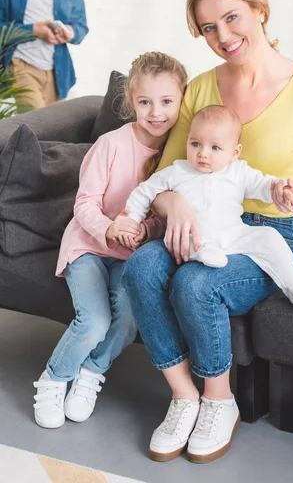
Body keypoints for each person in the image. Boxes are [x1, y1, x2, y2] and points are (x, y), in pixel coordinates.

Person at [121, 0, 293, 464]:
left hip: (264, 237)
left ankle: (219, 400)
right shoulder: (200, 88)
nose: (222, 36)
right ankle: (183, 394)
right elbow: (168, 170)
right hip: (200, 227)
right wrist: (171, 201)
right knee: (139, 266)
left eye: (231, 18)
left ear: (260, 10)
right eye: (207, 27)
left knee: (195, 283)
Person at [32, 52, 187, 429]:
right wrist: (107, 228)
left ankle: (90, 374)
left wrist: (145, 230)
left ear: (182, 100)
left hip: (128, 253)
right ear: (131, 101)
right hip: (88, 246)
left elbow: (160, 218)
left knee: (130, 317)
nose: (156, 112)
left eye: (167, 101)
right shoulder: (111, 144)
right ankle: (53, 379)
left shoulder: (180, 155)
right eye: (145, 102)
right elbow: (84, 204)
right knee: (95, 321)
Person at [125, 104, 293, 308]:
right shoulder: (177, 171)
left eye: (215, 147)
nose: (203, 154)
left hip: (233, 234)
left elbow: (263, 184)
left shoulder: (237, 171)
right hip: (196, 237)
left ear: (234, 152)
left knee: (269, 236)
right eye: (195, 144)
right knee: (187, 239)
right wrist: (130, 219)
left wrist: (280, 189)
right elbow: (144, 191)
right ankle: (201, 253)